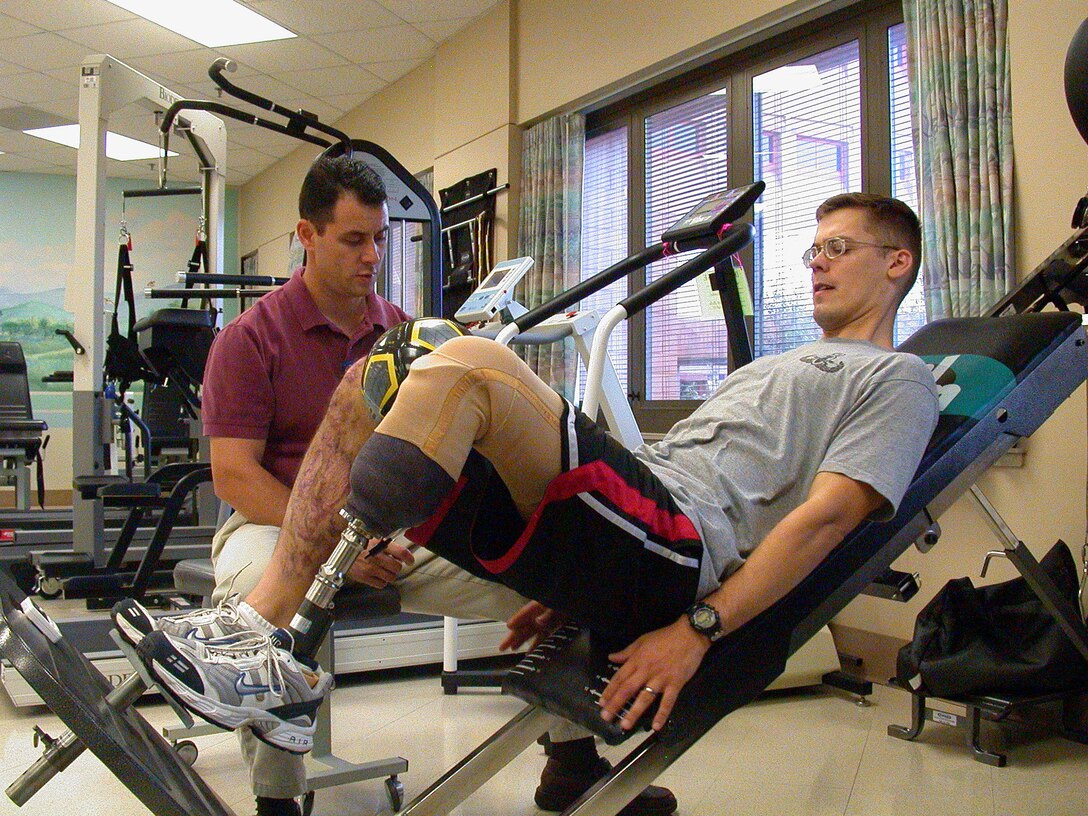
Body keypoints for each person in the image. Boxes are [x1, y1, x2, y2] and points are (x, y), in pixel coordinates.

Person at [133, 192, 938, 808]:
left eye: (837, 248)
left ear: (896, 263)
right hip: (638, 515)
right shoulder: (778, 363)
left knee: (466, 358)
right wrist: (575, 584)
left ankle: (267, 646)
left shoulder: (898, 380)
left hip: (685, 541)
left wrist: (699, 629)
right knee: (373, 378)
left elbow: (827, 518)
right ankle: (269, 636)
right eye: (813, 249)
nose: (816, 263)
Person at [115, 154, 679, 816]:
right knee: (256, 604)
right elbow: (234, 474)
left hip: (398, 529)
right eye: (354, 240)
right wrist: (338, 541)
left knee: (551, 570)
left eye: (380, 238)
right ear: (308, 235)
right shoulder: (250, 338)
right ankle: (278, 803)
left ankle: (572, 765)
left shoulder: (403, 331)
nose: (372, 255)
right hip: (274, 526)